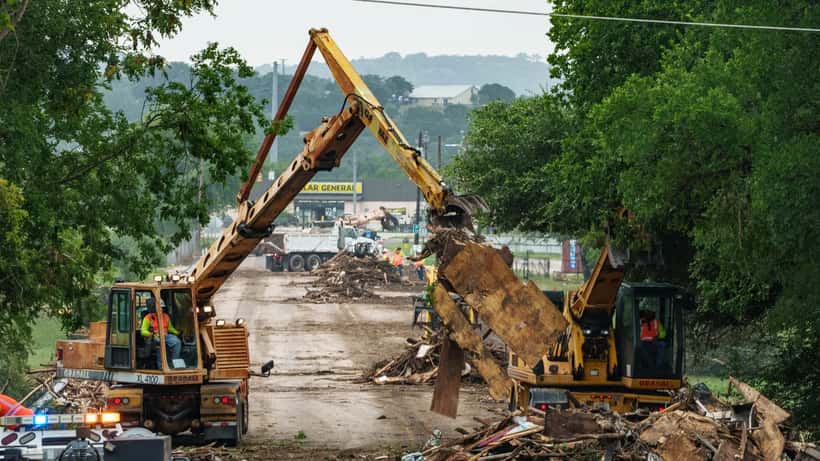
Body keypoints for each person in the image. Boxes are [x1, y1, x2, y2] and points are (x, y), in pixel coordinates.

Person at [141, 298, 182, 369]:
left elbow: (170, 328)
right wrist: (151, 334)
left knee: (177, 342)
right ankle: (161, 366)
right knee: (160, 343)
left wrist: (177, 332)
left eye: (162, 307)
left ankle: (174, 363)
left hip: (166, 336)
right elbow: (143, 331)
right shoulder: (148, 317)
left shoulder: (166, 316)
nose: (161, 309)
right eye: (159, 307)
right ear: (155, 308)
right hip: (155, 337)